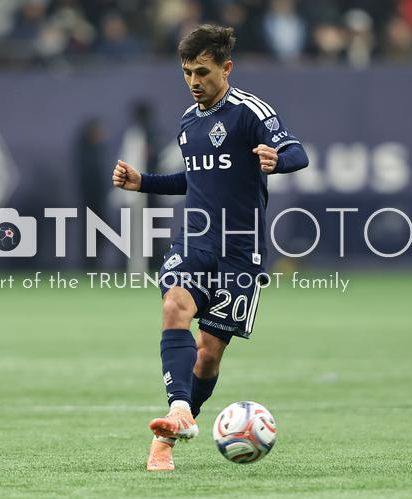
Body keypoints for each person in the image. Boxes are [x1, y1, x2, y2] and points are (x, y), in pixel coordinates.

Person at [111, 24, 309, 472]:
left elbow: (298, 152)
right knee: (174, 306)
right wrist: (144, 182)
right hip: (195, 239)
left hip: (241, 251)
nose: (194, 81)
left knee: (207, 355)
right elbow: (195, 179)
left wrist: (277, 160)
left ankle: (172, 433)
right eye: (187, 72)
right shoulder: (188, 121)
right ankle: (178, 410)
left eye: (202, 72)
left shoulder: (250, 112)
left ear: (226, 68)